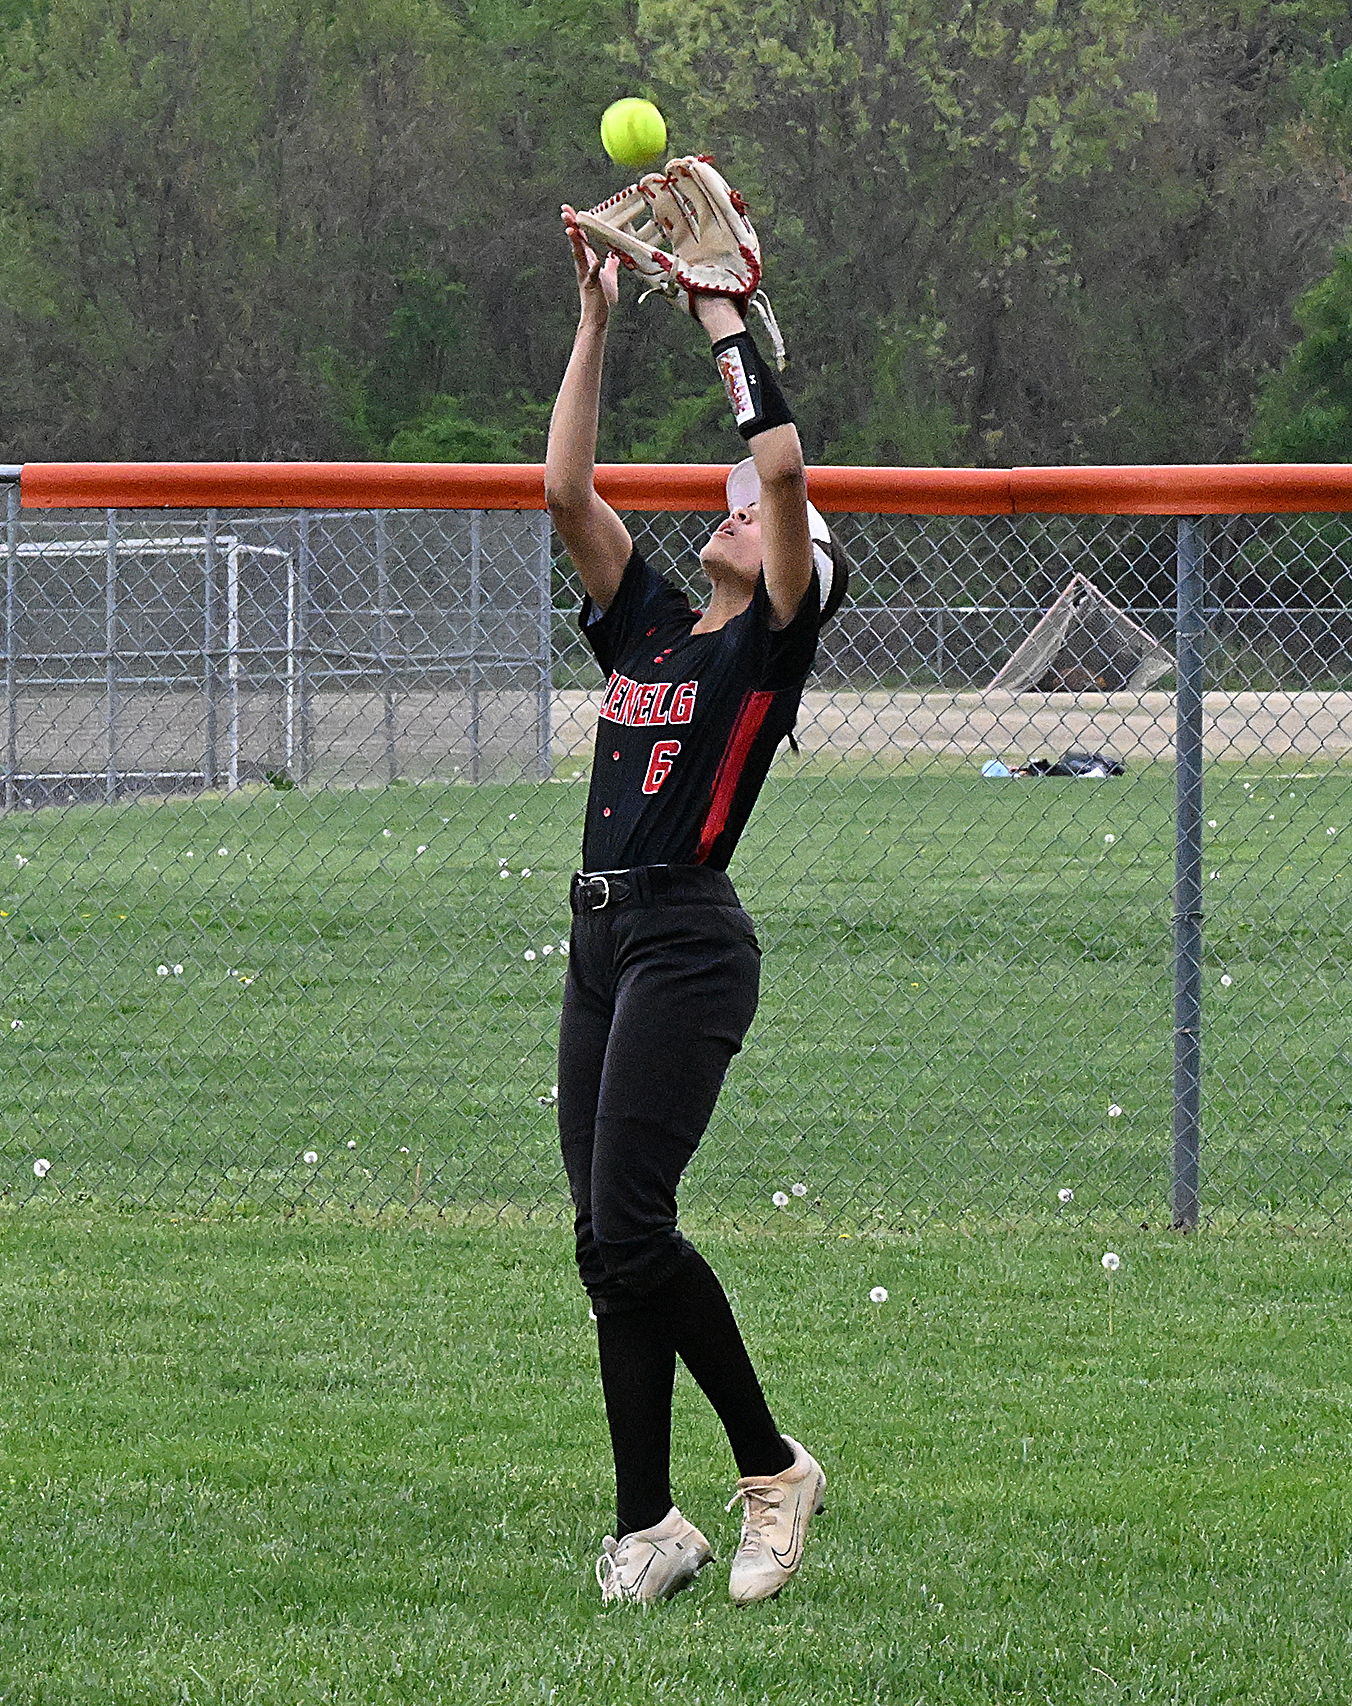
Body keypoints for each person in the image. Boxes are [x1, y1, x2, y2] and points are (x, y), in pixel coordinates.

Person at [545, 168, 849, 1607]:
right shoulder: (661, 629)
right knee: (606, 1250)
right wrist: (600, 319)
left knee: (632, 1227)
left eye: (748, 522)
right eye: (721, 516)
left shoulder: (763, 646)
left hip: (687, 940)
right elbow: (562, 489)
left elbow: (783, 474)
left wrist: (727, 320)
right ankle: (647, 1523)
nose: (727, 517)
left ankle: (771, 1466)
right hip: (602, 936)